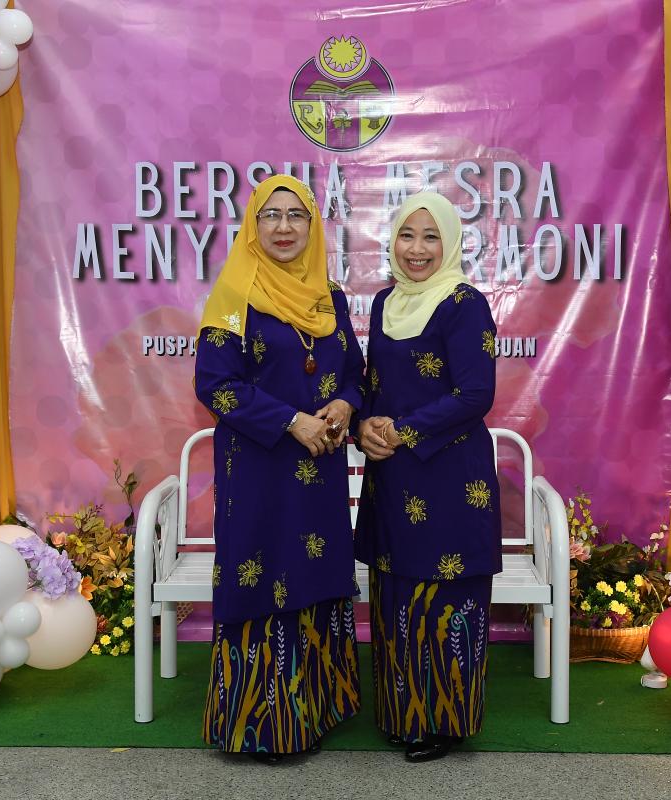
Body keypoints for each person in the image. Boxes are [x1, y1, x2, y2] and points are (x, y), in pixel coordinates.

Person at [194, 175, 364, 763]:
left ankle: (316, 711)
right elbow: (214, 384)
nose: (284, 227)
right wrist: (291, 421)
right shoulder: (233, 295)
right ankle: (262, 724)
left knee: (315, 572)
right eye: (271, 215)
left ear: (313, 226)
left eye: (296, 215)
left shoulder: (329, 296)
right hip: (259, 469)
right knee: (261, 574)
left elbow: (354, 371)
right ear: (253, 225)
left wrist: (345, 404)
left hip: (319, 471)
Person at [354, 192, 501, 763]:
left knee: (445, 595)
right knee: (396, 592)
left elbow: (476, 394)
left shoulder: (464, 304)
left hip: (449, 475)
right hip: (392, 476)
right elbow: (374, 384)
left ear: (451, 243)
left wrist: (404, 431)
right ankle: (403, 715)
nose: (417, 249)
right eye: (407, 235)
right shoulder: (384, 302)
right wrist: (365, 426)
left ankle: (443, 722)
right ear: (392, 241)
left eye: (431, 236)